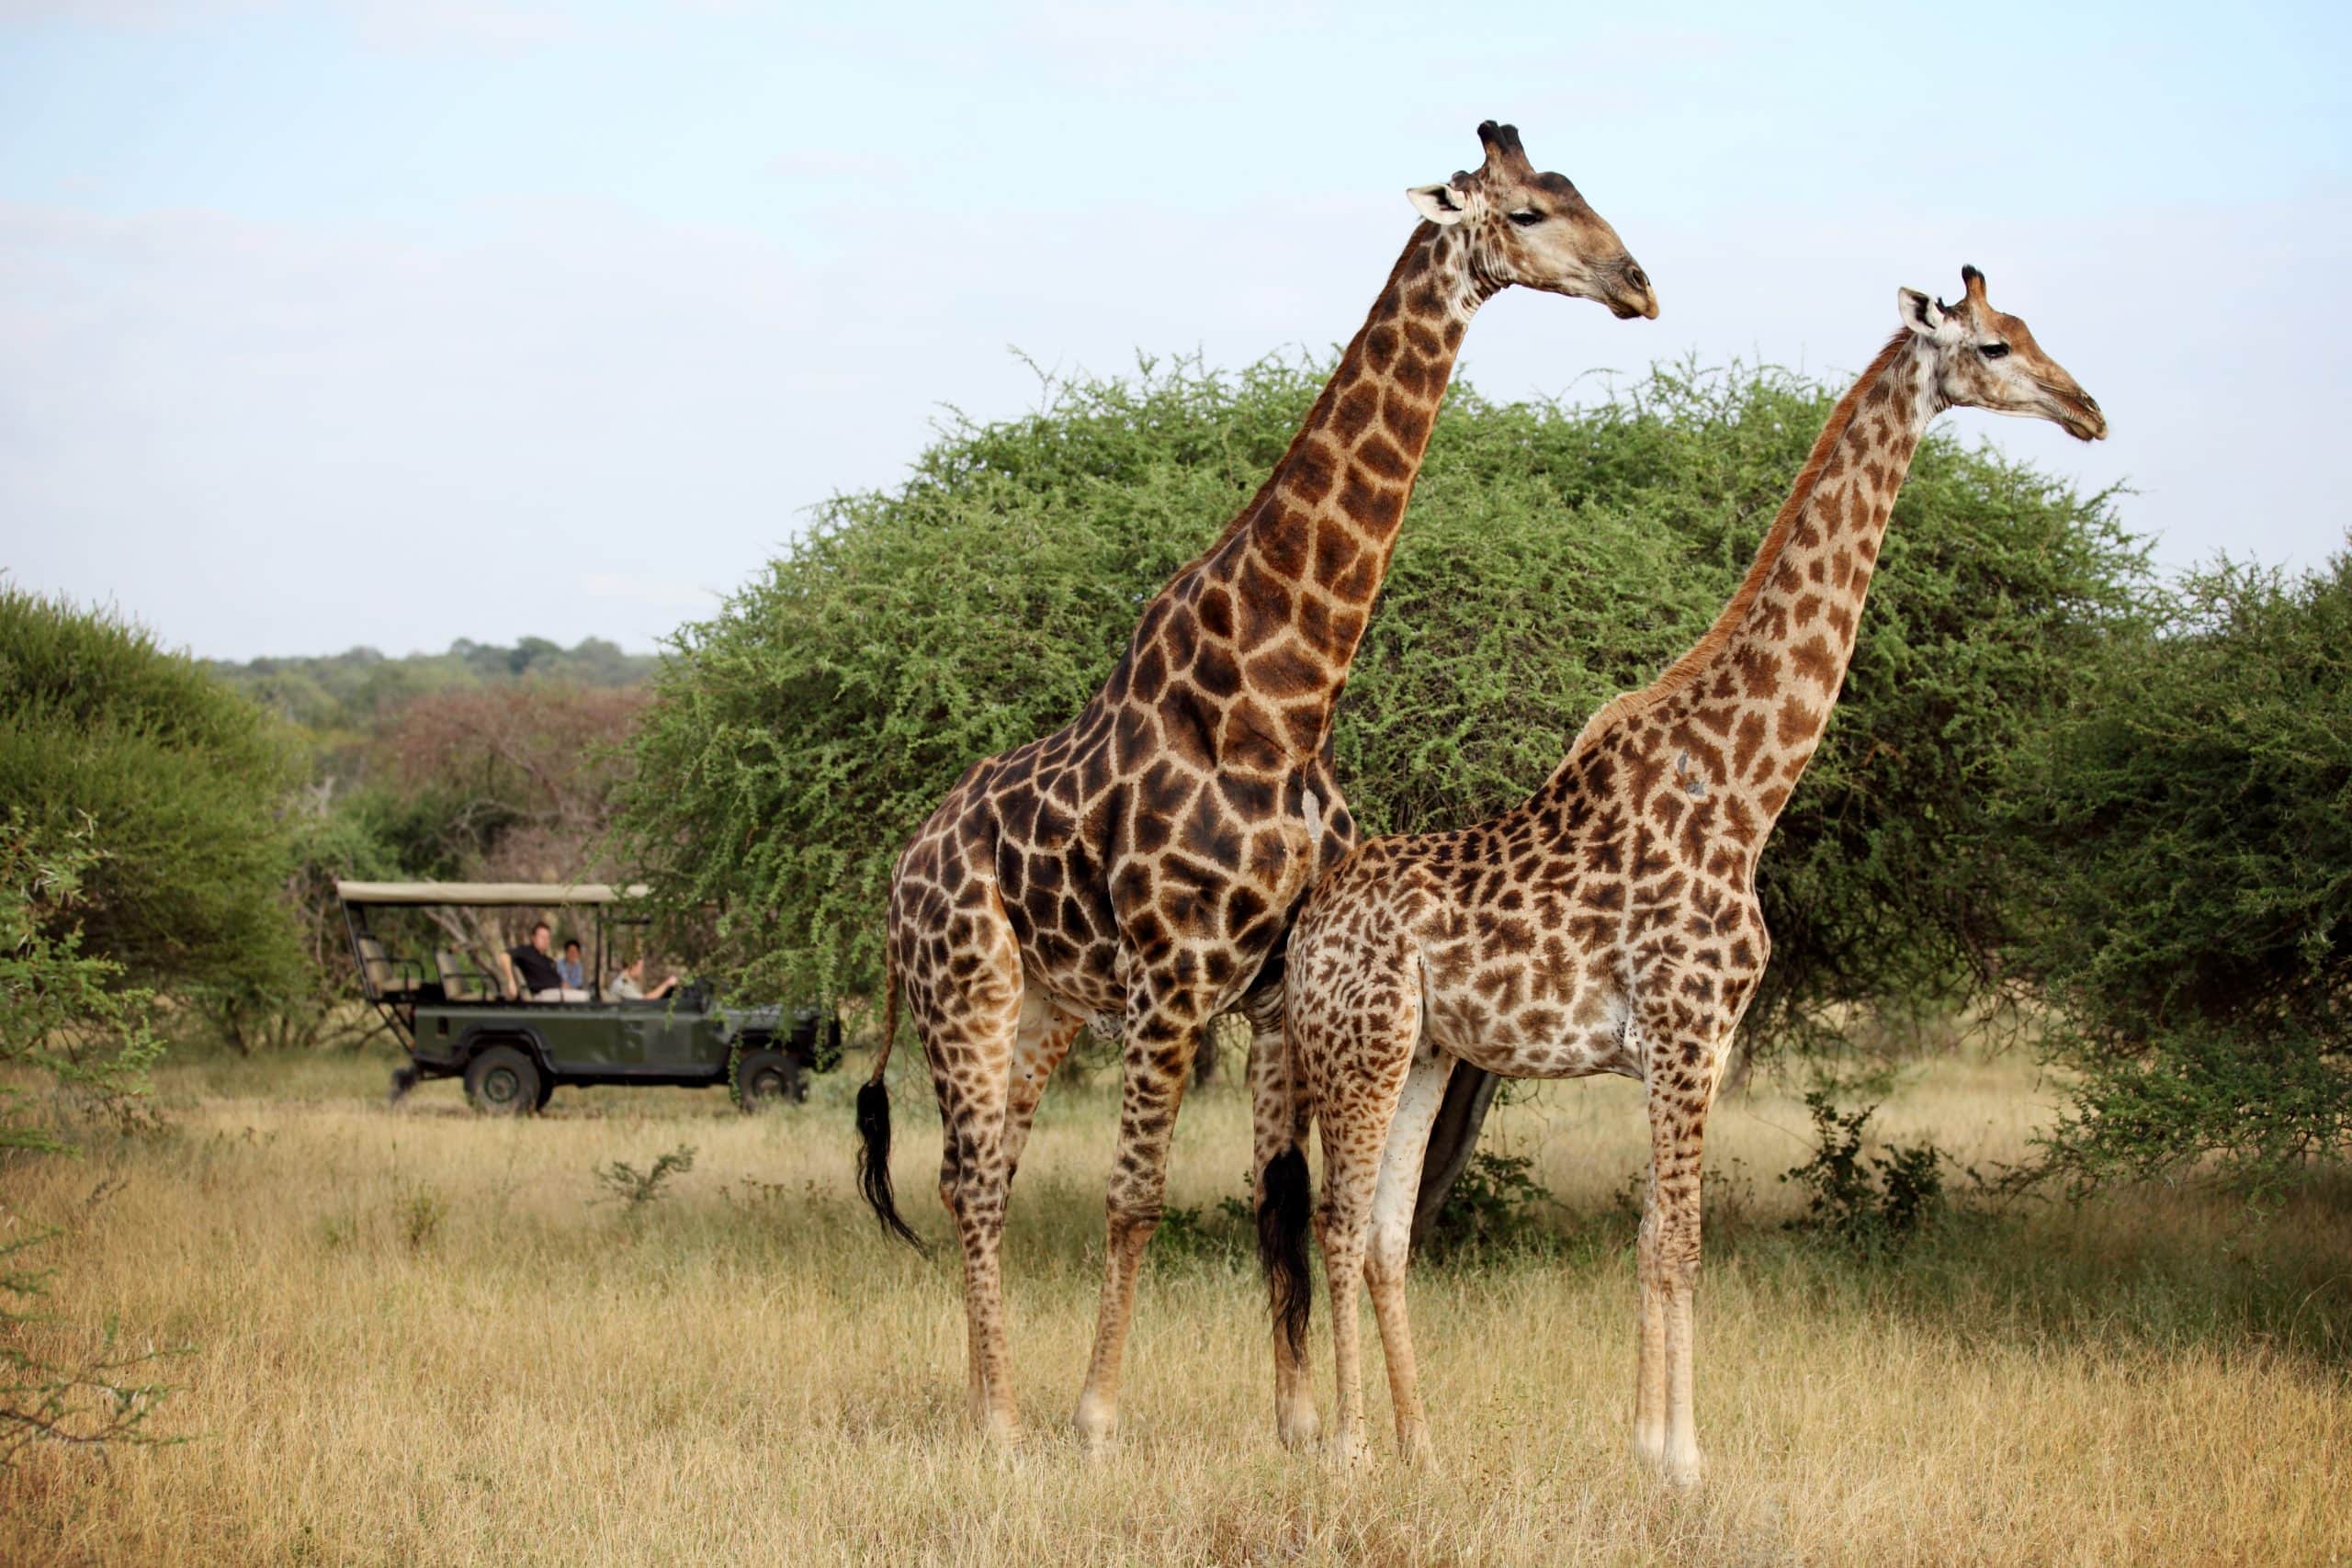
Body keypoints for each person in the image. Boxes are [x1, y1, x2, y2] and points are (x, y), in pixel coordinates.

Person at [504, 921, 586, 1002]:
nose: (545, 941)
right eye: (542, 937)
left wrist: (569, 988)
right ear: (534, 938)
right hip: (543, 995)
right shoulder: (527, 952)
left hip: (557, 993)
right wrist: (510, 981)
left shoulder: (549, 961)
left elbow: (560, 982)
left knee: (586, 995)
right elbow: (505, 956)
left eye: (547, 938)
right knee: (584, 997)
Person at [610, 956, 679, 1002]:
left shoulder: (626, 982)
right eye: (640, 967)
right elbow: (645, 1001)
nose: (641, 971)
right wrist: (667, 984)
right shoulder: (622, 985)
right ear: (633, 966)